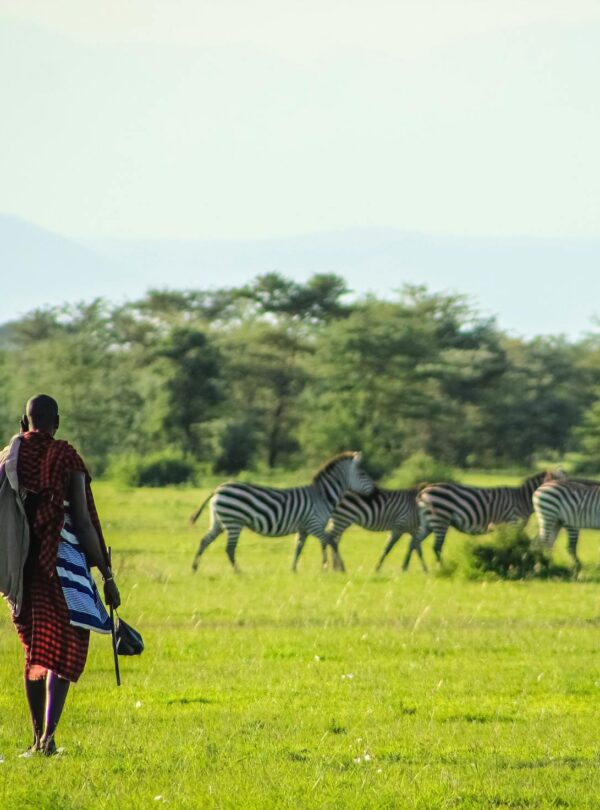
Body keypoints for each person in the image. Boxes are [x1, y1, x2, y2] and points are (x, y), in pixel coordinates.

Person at [3, 394, 120, 756]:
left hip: (22, 568)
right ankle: (47, 739)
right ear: (58, 421)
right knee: (66, 647)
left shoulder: (10, 457)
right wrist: (107, 575)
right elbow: (83, 523)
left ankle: (38, 738)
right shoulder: (65, 456)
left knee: (36, 650)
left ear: (25, 423)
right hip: (62, 567)